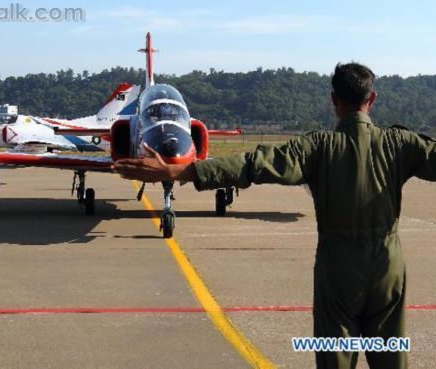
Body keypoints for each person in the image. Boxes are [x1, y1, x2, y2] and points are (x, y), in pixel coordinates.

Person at [112, 62, 436, 369]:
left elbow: (253, 164)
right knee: (391, 351)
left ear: (333, 100)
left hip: (338, 267)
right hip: (387, 265)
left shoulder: (317, 147)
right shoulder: (401, 143)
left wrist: (181, 170)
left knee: (334, 351)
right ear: (372, 99)